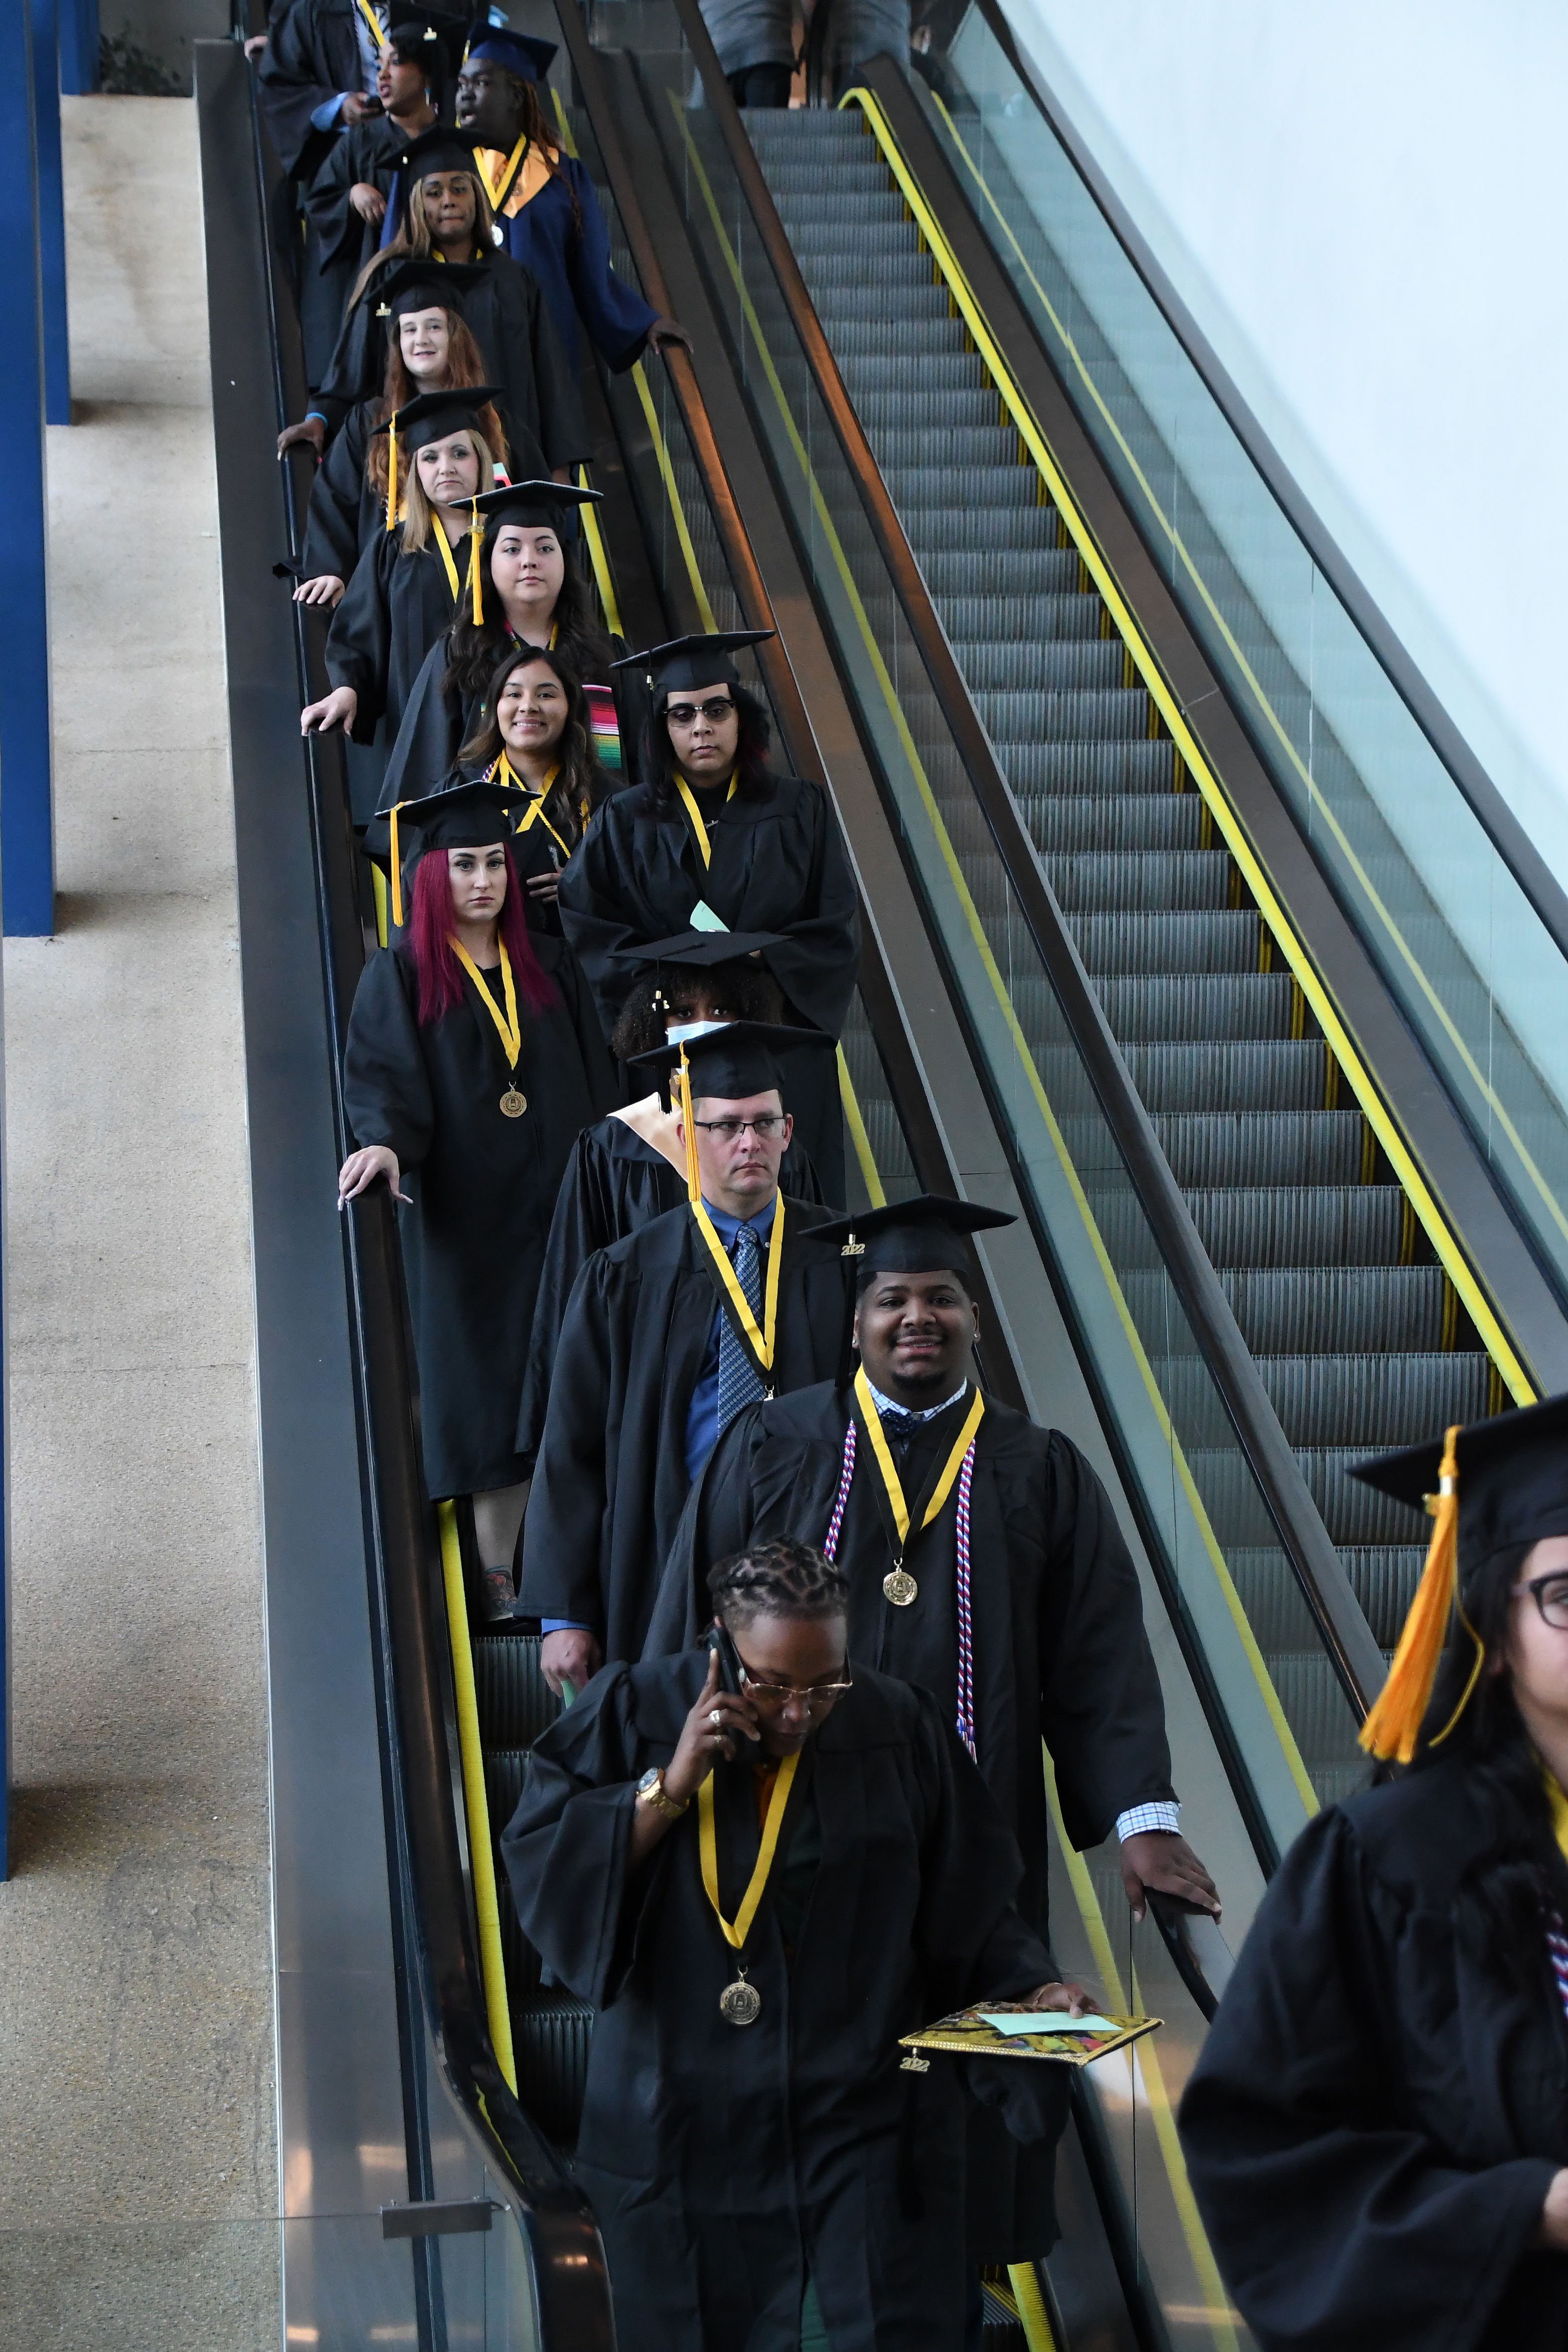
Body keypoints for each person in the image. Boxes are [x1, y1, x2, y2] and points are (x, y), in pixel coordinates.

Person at [648, 1190, 1216, 2274]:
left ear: (974, 1317)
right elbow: (690, 1616)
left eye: (942, 1296)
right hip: (790, 1822)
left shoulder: (1037, 1469)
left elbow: (1098, 1656)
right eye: (893, 1297)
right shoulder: (776, 1442)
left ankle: (950, 2272)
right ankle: (800, 2257)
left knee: (976, 2029)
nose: (919, 1316)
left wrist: (1141, 1823)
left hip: (971, 1833)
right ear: (855, 1321)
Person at [502, 1536, 1085, 2352]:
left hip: (863, 2128)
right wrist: (665, 1789)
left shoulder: (897, 1725)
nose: (797, 1712)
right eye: (771, 1683)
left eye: (824, 1684)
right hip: (683, 2128)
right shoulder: (634, 1710)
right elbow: (544, 1869)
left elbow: (974, 1912)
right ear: (718, 1636)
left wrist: (1034, 1999)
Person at [1179, 1392, 1568, 2352]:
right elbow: (1267, 2154)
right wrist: (1534, 2209)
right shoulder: (1389, 1860)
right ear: (1487, 1631)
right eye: (1567, 1595)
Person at [339, 775, 617, 1618]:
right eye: (462, 865)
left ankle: (582, 1560)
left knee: (575, 1371)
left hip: (562, 1211)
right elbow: (385, 1080)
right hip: (471, 1220)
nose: (482, 882)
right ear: (430, 877)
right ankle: (502, 1571)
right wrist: (383, 1143)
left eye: (492, 863)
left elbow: (599, 1080)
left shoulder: (549, 969)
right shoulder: (402, 973)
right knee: (488, 1377)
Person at [517, 1021, 845, 1688]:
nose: (748, 1141)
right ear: (691, 1140)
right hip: (669, 1542)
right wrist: (563, 1614)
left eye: (763, 1122)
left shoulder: (844, 1258)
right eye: (726, 1126)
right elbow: (572, 1440)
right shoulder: (625, 1272)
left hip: (813, 1552)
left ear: (788, 1131)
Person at [561, 630, 860, 1201]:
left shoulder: (800, 809)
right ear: (661, 728)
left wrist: (756, 953)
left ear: (741, 718)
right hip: (670, 1039)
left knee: (787, 1190)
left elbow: (835, 925)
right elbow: (588, 922)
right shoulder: (622, 820)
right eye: (682, 715)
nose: (701, 727)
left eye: (716, 710)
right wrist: (669, 981)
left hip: (775, 1039)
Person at [515, 927, 824, 1472]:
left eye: (722, 1008)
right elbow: (576, 1283)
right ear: (650, 1023)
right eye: (681, 1010)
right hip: (647, 1389)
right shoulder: (611, 1146)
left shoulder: (773, 1144)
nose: (701, 1022)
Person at [312, 129, 586, 484]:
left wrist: (559, 469)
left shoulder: (514, 279)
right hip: (423, 470)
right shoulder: (389, 277)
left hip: (510, 464)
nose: (448, 200)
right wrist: (318, 419)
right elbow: (352, 368)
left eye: (460, 188)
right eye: (434, 191)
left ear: (476, 195)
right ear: (416, 203)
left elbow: (550, 379)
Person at [451, 21, 690, 374]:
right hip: (465, 344)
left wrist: (644, 322)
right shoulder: (445, 172)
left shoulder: (562, 175)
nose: (466, 95)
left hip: (544, 348)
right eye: (462, 85)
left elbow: (592, 267)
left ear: (518, 96)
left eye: (482, 83)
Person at [377, 478, 620, 810]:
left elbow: (634, 778)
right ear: (488, 562)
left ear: (566, 561)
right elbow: (427, 770)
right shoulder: (459, 654)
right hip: (491, 852)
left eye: (545, 547)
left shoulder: (607, 656)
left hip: (597, 846)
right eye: (512, 548)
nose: (529, 560)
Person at [286, 266, 511, 606]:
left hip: (482, 596)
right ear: (398, 343)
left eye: (434, 326)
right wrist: (332, 570)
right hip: (393, 602)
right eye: (409, 330)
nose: (421, 339)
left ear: (455, 336)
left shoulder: (493, 420)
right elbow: (335, 500)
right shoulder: (368, 423)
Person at [301, 386, 501, 761]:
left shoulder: (508, 543)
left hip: (500, 727)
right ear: (416, 472)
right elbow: (361, 631)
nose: (447, 467)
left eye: (460, 453)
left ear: (481, 461)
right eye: (430, 457)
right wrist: (348, 689)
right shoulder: (393, 548)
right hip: (418, 731)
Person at [294, 16, 452, 388]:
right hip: (372, 301)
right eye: (378, 64)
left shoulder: (451, 149)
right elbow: (318, 203)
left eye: (395, 63)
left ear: (426, 74)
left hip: (434, 302)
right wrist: (351, 195)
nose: (382, 75)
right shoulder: (359, 142)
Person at [453, 639, 618, 933]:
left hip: (586, 966)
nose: (528, 706)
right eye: (514, 694)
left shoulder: (611, 799)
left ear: (570, 707)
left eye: (546, 694)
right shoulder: (461, 791)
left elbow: (642, 894)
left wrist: (583, 888)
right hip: (490, 962)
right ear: (495, 708)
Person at [698, 0, 795, 108]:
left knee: (713, 123)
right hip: (766, 44)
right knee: (765, 123)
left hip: (718, 45)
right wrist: (810, 40)